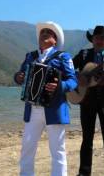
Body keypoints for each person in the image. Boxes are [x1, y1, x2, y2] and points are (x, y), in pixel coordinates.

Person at [14, 21, 77, 176]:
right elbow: (19, 75)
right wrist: (18, 77)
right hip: (32, 108)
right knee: (27, 147)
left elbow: (73, 81)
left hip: (54, 109)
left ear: (55, 40)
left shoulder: (63, 56)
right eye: (43, 32)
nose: (45, 33)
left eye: (49, 32)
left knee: (57, 150)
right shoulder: (30, 56)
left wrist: (59, 86)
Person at [73, 25, 104, 176]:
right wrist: (77, 78)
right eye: (97, 38)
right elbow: (68, 69)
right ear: (92, 40)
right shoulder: (83, 54)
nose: (99, 40)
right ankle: (84, 173)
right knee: (86, 140)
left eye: (102, 38)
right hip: (86, 102)